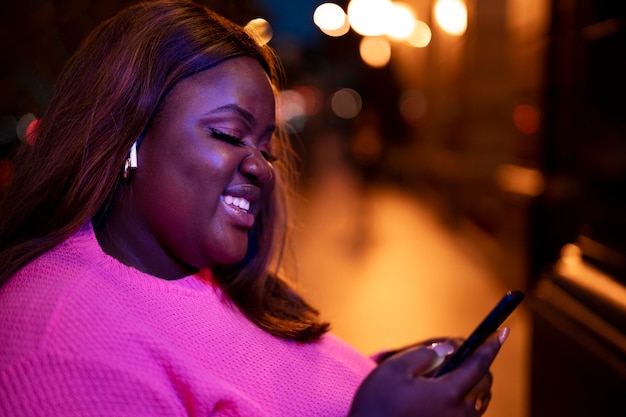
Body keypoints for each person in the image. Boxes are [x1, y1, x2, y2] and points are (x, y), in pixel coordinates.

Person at [0, 1, 509, 415]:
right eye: (227, 134)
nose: (263, 168)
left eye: (266, 147)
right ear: (126, 135)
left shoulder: (204, 272)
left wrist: (380, 381)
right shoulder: (62, 347)